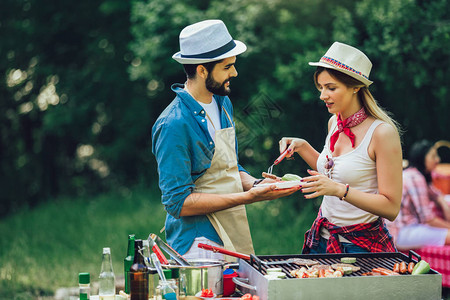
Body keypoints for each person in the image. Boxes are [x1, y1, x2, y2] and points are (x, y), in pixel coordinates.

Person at [152, 20, 299, 259]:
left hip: (233, 231)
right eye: (227, 66)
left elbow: (228, 166)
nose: (235, 72)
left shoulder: (222, 103)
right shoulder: (173, 124)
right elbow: (178, 203)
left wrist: (255, 185)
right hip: (199, 245)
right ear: (202, 70)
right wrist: (249, 197)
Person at [278, 41, 403, 253]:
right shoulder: (334, 122)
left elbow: (391, 208)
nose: (322, 95)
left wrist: (339, 190)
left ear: (356, 87)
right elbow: (333, 172)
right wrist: (303, 147)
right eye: (320, 87)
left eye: (331, 88)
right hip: (321, 240)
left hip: (360, 247)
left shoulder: (382, 133)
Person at [387, 140, 450, 249]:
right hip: (402, 232)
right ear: (422, 158)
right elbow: (428, 219)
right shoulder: (415, 177)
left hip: (398, 231)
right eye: (433, 156)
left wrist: (442, 202)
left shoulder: (412, 173)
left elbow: (436, 195)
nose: (438, 160)